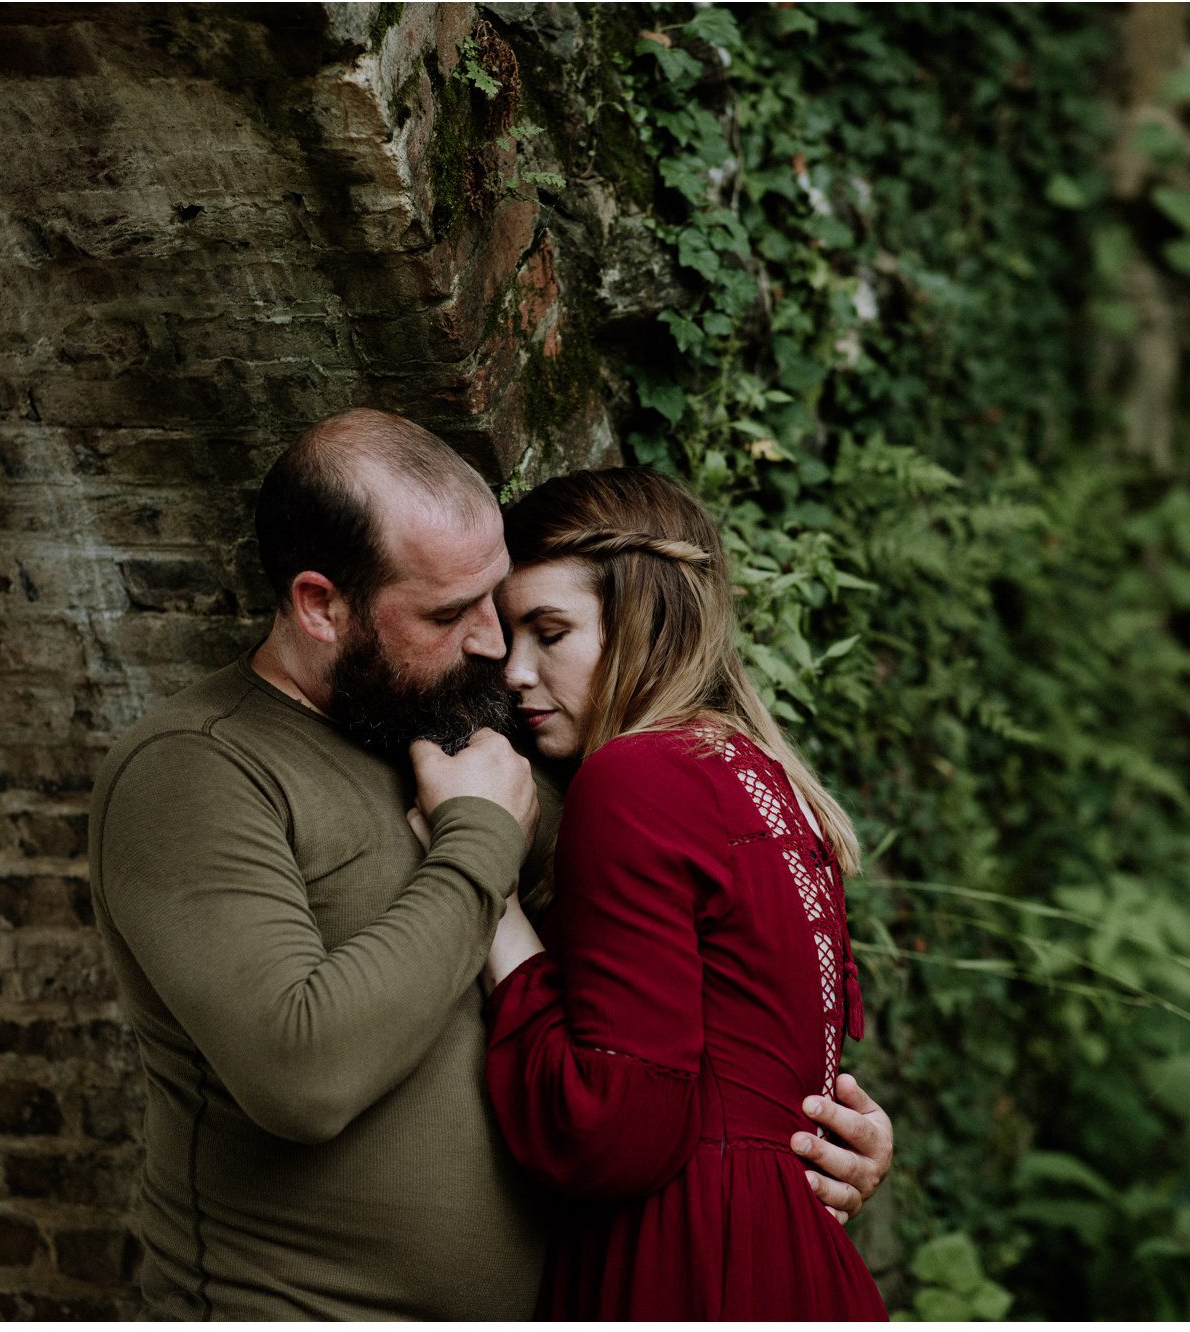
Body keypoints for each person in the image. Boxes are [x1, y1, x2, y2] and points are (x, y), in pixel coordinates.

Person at [88, 408, 891, 1319]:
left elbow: (654, 1009)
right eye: (448, 612)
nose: (492, 645)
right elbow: (298, 1076)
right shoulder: (199, 768)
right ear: (322, 605)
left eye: (499, 602)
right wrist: (475, 844)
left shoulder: (488, 732)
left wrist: (796, 1134)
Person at [474, 466, 891, 1318]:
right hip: (791, 1259)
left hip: (694, 1265)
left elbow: (611, 1130)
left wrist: (487, 889)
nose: (514, 672)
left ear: (643, 623)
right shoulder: (760, 778)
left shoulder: (635, 775)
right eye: (510, 635)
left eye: (549, 633)